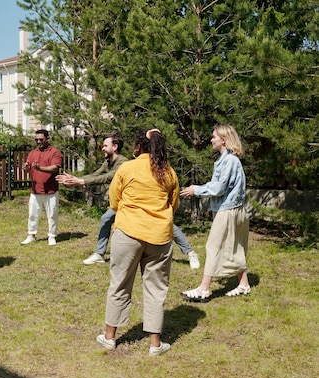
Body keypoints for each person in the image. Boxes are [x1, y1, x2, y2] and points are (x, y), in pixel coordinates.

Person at [57, 133, 200, 269]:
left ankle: (190, 252)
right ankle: (100, 253)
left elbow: (106, 178)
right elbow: (96, 175)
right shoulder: (109, 162)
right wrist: (75, 179)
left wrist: (80, 181)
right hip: (122, 202)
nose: (102, 148)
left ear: (115, 147)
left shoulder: (123, 163)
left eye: (105, 145)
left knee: (167, 224)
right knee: (106, 218)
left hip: (135, 203)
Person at [97, 128, 178, 356]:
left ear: (138, 147)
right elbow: (174, 203)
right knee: (156, 290)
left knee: (120, 284)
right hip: (160, 237)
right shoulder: (168, 172)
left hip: (128, 233)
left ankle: (109, 337)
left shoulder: (127, 167)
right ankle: (155, 345)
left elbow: (114, 200)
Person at [180, 124, 249, 302]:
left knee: (214, 247)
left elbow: (218, 188)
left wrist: (196, 189)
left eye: (214, 137)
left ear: (224, 139)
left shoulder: (229, 161)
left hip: (228, 210)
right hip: (233, 209)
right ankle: (244, 284)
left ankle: (204, 289)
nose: (211, 140)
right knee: (233, 247)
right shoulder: (226, 160)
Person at [21, 129, 62, 246]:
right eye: (36, 140)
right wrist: (26, 168)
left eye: (41, 139)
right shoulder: (32, 153)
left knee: (52, 214)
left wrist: (40, 168)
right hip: (35, 189)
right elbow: (29, 168)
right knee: (33, 214)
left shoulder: (54, 152)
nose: (38, 142)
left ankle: (52, 236)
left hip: (51, 190)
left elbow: (55, 168)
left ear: (47, 139)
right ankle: (31, 235)